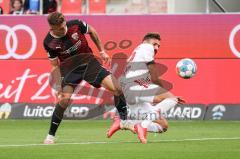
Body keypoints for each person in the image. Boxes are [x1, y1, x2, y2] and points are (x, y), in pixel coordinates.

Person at [43, 12, 128, 144]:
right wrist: (58, 85)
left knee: (117, 88)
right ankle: (50, 135)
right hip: (70, 70)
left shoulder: (76, 25)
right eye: (60, 28)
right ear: (52, 28)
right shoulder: (49, 42)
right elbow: (54, 65)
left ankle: (124, 120)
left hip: (89, 63)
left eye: (64, 25)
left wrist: (101, 51)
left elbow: (92, 31)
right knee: (64, 100)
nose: (63, 29)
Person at [107, 33, 184, 143]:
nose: (156, 47)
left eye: (159, 46)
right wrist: (165, 92)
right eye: (155, 44)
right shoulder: (147, 47)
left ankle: (123, 123)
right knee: (172, 99)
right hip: (135, 86)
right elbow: (154, 75)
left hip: (129, 91)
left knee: (163, 126)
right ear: (145, 42)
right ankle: (143, 125)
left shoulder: (137, 54)